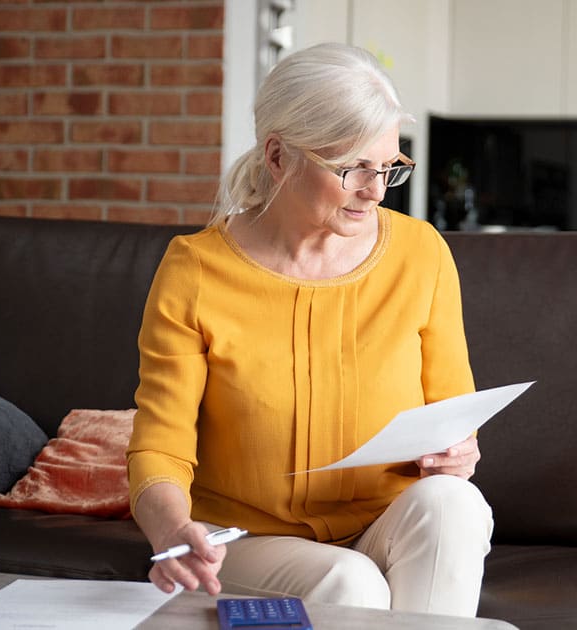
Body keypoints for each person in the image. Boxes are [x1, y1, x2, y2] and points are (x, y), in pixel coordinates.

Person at [125, 42, 493, 617]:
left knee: (456, 505)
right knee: (350, 583)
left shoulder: (421, 254)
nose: (374, 190)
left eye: (390, 166)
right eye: (352, 169)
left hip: (384, 523)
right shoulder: (196, 269)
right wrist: (173, 528)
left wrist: (456, 455)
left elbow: (453, 418)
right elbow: (160, 445)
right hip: (252, 542)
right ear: (277, 157)